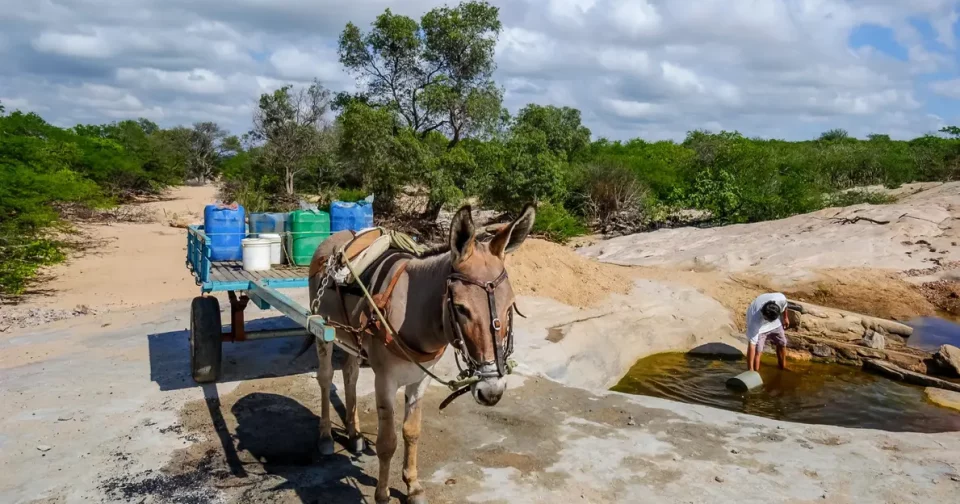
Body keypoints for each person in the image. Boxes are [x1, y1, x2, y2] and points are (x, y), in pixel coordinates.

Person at [745, 292, 790, 371]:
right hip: (760, 328)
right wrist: (750, 370)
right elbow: (752, 346)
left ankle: (783, 367)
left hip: (776, 324)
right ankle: (755, 372)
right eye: (766, 319)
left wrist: (785, 318)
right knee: (758, 351)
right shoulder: (755, 320)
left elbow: (785, 305)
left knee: (782, 343)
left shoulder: (780, 299)